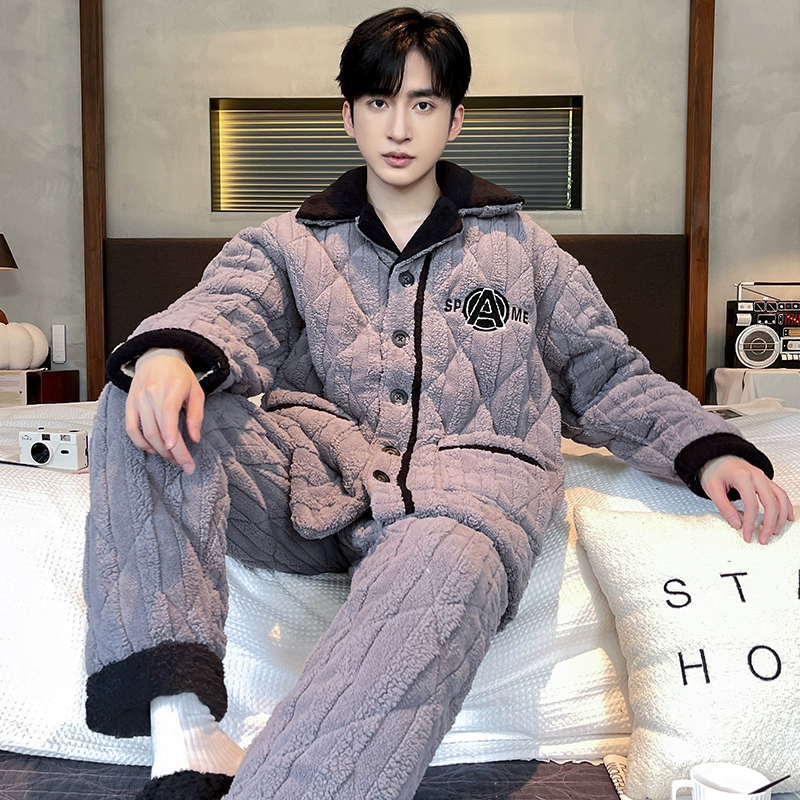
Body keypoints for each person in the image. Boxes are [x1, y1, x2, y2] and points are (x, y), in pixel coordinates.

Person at [83, 8, 794, 800]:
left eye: (422, 103)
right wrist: (168, 352)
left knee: (437, 564)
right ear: (349, 115)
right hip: (324, 482)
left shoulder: (524, 250)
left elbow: (606, 375)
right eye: (379, 102)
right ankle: (186, 737)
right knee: (135, 393)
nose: (399, 127)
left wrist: (708, 449)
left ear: (454, 119)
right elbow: (228, 307)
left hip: (468, 498)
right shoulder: (285, 242)